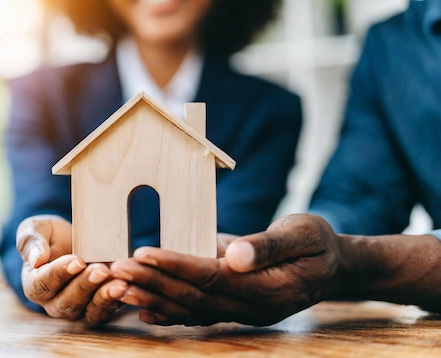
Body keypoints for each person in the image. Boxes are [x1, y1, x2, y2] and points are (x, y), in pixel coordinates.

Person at [105, 0, 441, 326]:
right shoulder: (390, 45)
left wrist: (345, 258)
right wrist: (298, 247)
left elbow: (344, 244)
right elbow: (360, 196)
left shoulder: (269, 110)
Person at [0, 0, 302, 324]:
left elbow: (224, 230)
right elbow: (35, 208)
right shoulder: (42, 94)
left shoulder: (271, 112)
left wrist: (103, 258)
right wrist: (41, 257)